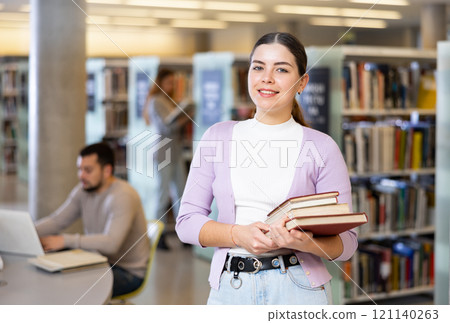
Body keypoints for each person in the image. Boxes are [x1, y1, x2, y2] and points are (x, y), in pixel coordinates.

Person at [176, 32, 358, 305]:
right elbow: (186, 223)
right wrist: (237, 234)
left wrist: (301, 241)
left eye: (281, 69)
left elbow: (347, 243)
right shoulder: (217, 137)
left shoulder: (322, 147)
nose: (266, 78)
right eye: (258, 67)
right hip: (231, 288)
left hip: (299, 289)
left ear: (302, 82)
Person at [35, 143, 151, 297]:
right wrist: (27, 232)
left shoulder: (123, 196)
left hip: (126, 271)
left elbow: (111, 244)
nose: (81, 175)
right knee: (47, 268)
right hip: (97, 259)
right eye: (80, 169)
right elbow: (57, 221)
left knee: (66, 286)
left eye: (88, 170)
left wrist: (64, 240)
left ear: (107, 171)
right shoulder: (84, 190)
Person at [142, 68, 192, 250]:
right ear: (160, 83)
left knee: (181, 193)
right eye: (168, 82)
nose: (171, 86)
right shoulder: (156, 101)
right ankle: (159, 235)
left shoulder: (170, 100)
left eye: (172, 82)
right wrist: (186, 119)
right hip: (164, 151)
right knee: (163, 195)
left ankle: (184, 234)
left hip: (176, 150)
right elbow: (166, 127)